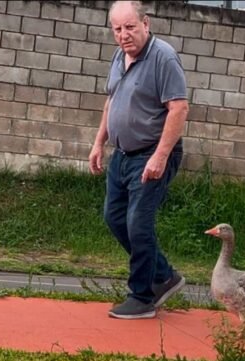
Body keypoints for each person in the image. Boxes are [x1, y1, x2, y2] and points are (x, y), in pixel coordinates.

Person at [88, 0, 189, 319]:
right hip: (122, 155)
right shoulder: (120, 56)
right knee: (114, 218)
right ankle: (164, 276)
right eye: (117, 29)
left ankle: (142, 296)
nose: (123, 35)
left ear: (145, 23)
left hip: (151, 154)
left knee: (138, 222)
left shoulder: (163, 57)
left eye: (129, 27)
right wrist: (98, 142)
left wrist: (160, 156)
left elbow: (179, 108)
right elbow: (111, 101)